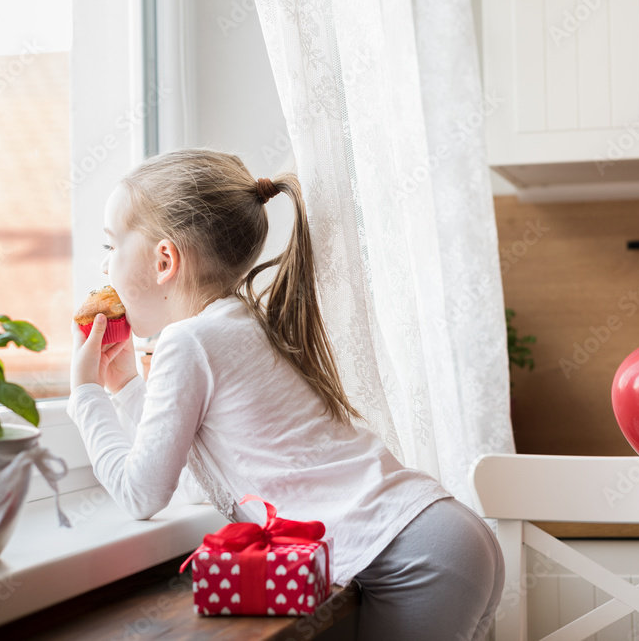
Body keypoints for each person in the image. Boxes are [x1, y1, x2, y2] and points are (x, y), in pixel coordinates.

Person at [68, 148, 503, 640]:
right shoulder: (242, 324)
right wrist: (125, 385)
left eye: (111, 248)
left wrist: (85, 393)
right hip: (439, 537)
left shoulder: (186, 342)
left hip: (414, 556)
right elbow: (191, 482)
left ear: (164, 259)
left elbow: (140, 492)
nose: (105, 269)